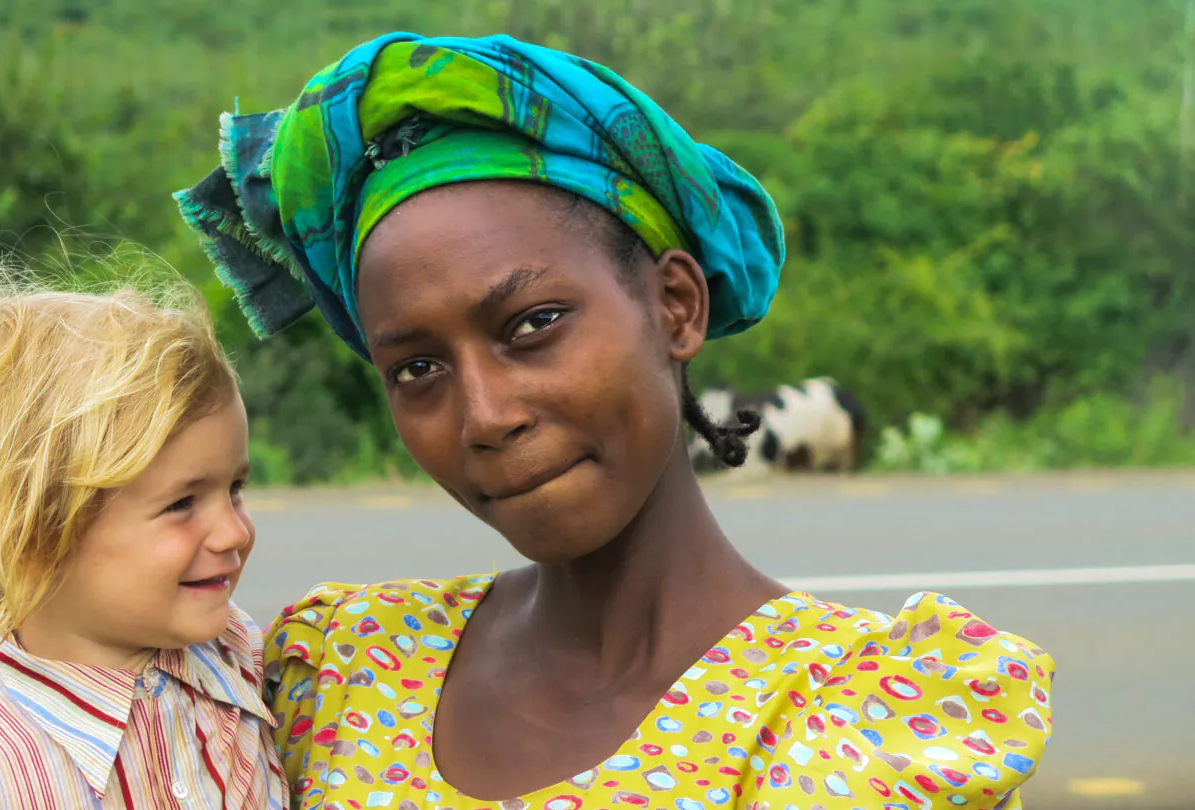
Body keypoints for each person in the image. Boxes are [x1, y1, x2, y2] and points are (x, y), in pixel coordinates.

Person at [176, 33, 1055, 810]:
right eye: (418, 368)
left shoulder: (849, 721)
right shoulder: (341, 675)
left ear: (675, 306)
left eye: (533, 324)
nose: (484, 416)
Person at [0, 260, 287, 810]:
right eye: (182, 503)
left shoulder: (236, 652)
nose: (234, 531)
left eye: (236, 488)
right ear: (30, 532)